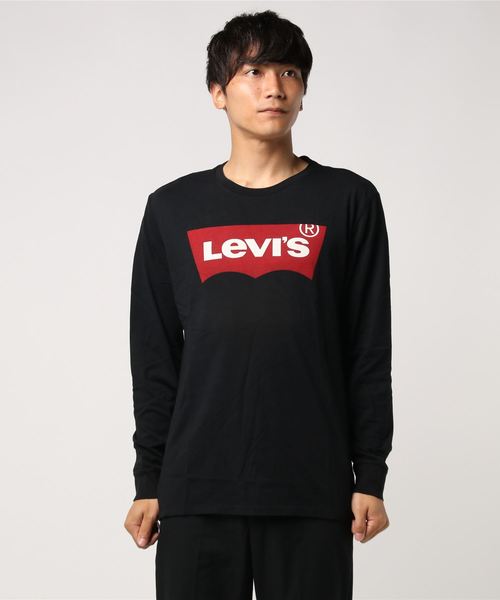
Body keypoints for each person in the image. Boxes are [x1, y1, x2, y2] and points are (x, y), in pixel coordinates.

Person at [124, 9, 393, 600]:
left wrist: (369, 472)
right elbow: (155, 355)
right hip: (196, 487)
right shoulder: (172, 208)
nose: (274, 87)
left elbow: (368, 348)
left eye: (289, 72)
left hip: (311, 486)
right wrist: (150, 478)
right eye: (253, 71)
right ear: (217, 92)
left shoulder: (349, 200)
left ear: (303, 89)